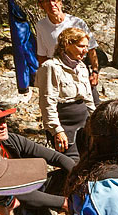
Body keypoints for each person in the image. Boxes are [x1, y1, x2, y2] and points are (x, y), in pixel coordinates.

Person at [37, 27, 96, 160]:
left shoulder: (81, 66)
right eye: (81, 46)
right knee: (71, 163)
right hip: (65, 123)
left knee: (88, 160)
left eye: (86, 46)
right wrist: (57, 130)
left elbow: (88, 98)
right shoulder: (51, 67)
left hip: (84, 123)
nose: (85, 50)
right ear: (67, 44)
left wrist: (96, 120)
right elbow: (47, 101)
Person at [34, 0, 100, 104]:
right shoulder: (41, 26)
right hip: (57, 71)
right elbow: (42, 54)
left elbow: (91, 49)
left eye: (54, 0)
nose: (51, 4)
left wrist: (95, 71)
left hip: (79, 68)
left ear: (60, 3)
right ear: (41, 6)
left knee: (93, 104)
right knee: (65, 105)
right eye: (46, 1)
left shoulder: (76, 22)